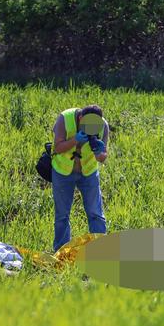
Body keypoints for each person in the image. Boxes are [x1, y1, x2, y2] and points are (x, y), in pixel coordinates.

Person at [51, 105, 109, 252]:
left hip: (88, 173)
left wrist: (98, 152)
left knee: (95, 213)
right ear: (80, 117)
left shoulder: (103, 125)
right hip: (63, 173)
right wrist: (75, 140)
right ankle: (61, 253)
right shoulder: (64, 119)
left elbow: (103, 157)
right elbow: (57, 147)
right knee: (62, 216)